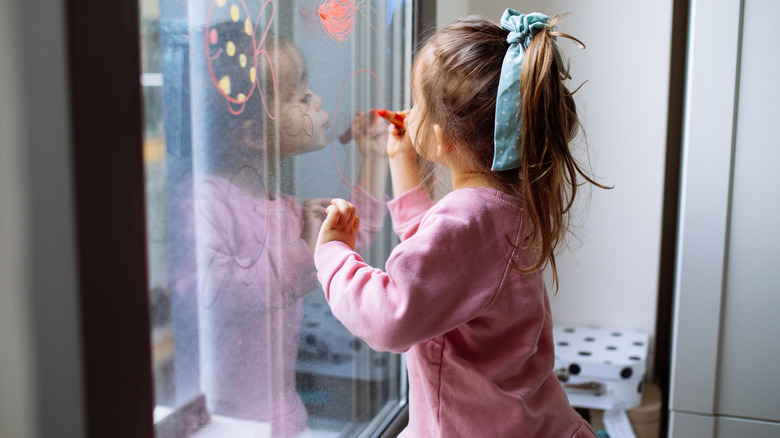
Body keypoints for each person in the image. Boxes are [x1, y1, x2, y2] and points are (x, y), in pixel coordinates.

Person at [314, 10, 607, 437]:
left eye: (415, 104)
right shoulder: (508, 204)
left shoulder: (471, 217)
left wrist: (333, 255)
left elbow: (390, 318)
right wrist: (401, 160)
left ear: (441, 138)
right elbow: (443, 267)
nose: (407, 113)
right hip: (530, 420)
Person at [190, 25, 388, 437]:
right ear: (254, 134)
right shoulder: (203, 202)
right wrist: (304, 249)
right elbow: (213, 292)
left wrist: (375, 160)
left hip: (284, 420)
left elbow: (347, 245)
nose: (316, 99)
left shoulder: (280, 208)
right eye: (301, 96)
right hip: (226, 425)